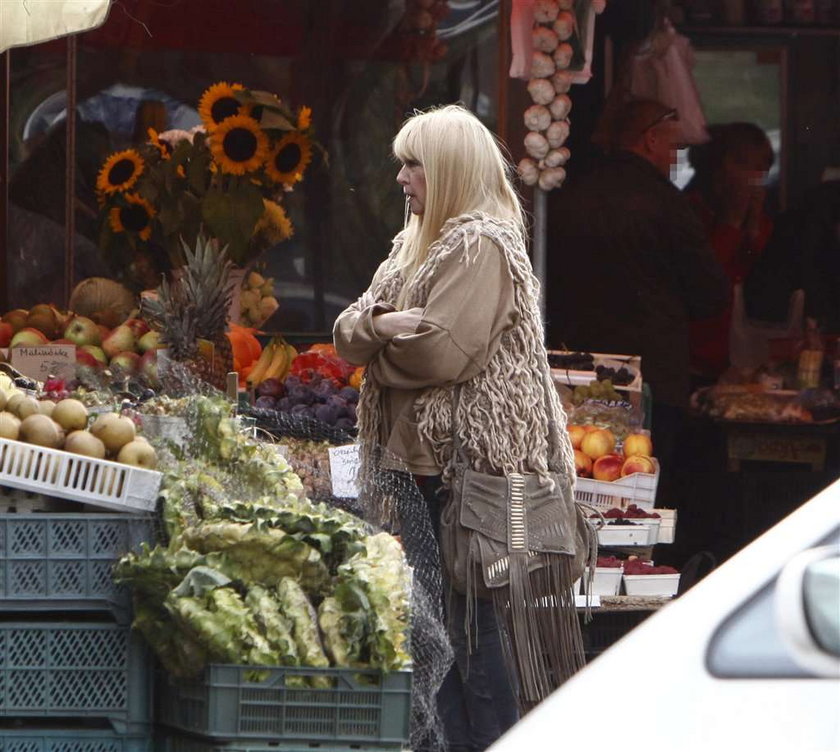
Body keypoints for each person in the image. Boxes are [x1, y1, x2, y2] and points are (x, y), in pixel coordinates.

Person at [333, 104, 580, 752]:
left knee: (476, 639)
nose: (401, 178)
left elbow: (439, 354)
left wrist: (380, 342)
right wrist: (383, 330)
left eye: (413, 164)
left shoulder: (482, 245)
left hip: (465, 473)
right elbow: (346, 333)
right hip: (418, 470)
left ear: (447, 170)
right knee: (437, 634)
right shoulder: (413, 244)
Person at [545, 98, 729, 496]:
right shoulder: (667, 204)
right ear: (650, 140)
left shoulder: (567, 195)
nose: (677, 159)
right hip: (651, 382)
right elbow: (710, 294)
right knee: (641, 493)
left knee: (577, 485)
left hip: (572, 374)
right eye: (675, 148)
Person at [684, 122, 775, 382]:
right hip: (691, 357)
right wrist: (732, 222)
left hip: (730, 358)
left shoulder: (760, 221)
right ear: (719, 168)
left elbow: (753, 278)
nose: (756, 178)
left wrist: (753, 226)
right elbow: (705, 277)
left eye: (763, 169)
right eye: (747, 166)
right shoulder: (689, 212)